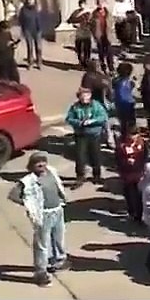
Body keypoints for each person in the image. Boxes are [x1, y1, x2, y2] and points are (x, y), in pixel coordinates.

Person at [14, 152, 68, 286]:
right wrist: (29, 204)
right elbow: (13, 195)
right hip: (43, 215)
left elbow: (58, 187)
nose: (41, 164)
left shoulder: (52, 172)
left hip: (57, 210)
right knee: (42, 245)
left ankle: (59, 261)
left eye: (43, 161)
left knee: (58, 238)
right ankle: (41, 273)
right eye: (37, 163)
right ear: (31, 166)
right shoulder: (28, 181)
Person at [65, 87, 108, 187]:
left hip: (94, 134)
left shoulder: (96, 105)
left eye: (87, 95)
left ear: (90, 95)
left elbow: (103, 117)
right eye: (82, 95)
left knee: (95, 155)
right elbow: (69, 118)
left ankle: (97, 175)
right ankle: (80, 177)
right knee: (80, 156)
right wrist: (79, 123)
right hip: (81, 135)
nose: (84, 97)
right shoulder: (75, 107)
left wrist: (93, 121)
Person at [17, 0, 43, 70]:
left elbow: (40, 19)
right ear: (27, 0)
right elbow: (21, 20)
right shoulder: (23, 9)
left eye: (32, 0)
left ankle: (39, 63)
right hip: (28, 30)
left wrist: (40, 28)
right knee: (30, 47)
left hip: (37, 30)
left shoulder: (37, 8)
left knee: (38, 47)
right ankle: (30, 63)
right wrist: (23, 30)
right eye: (29, 0)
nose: (30, 1)